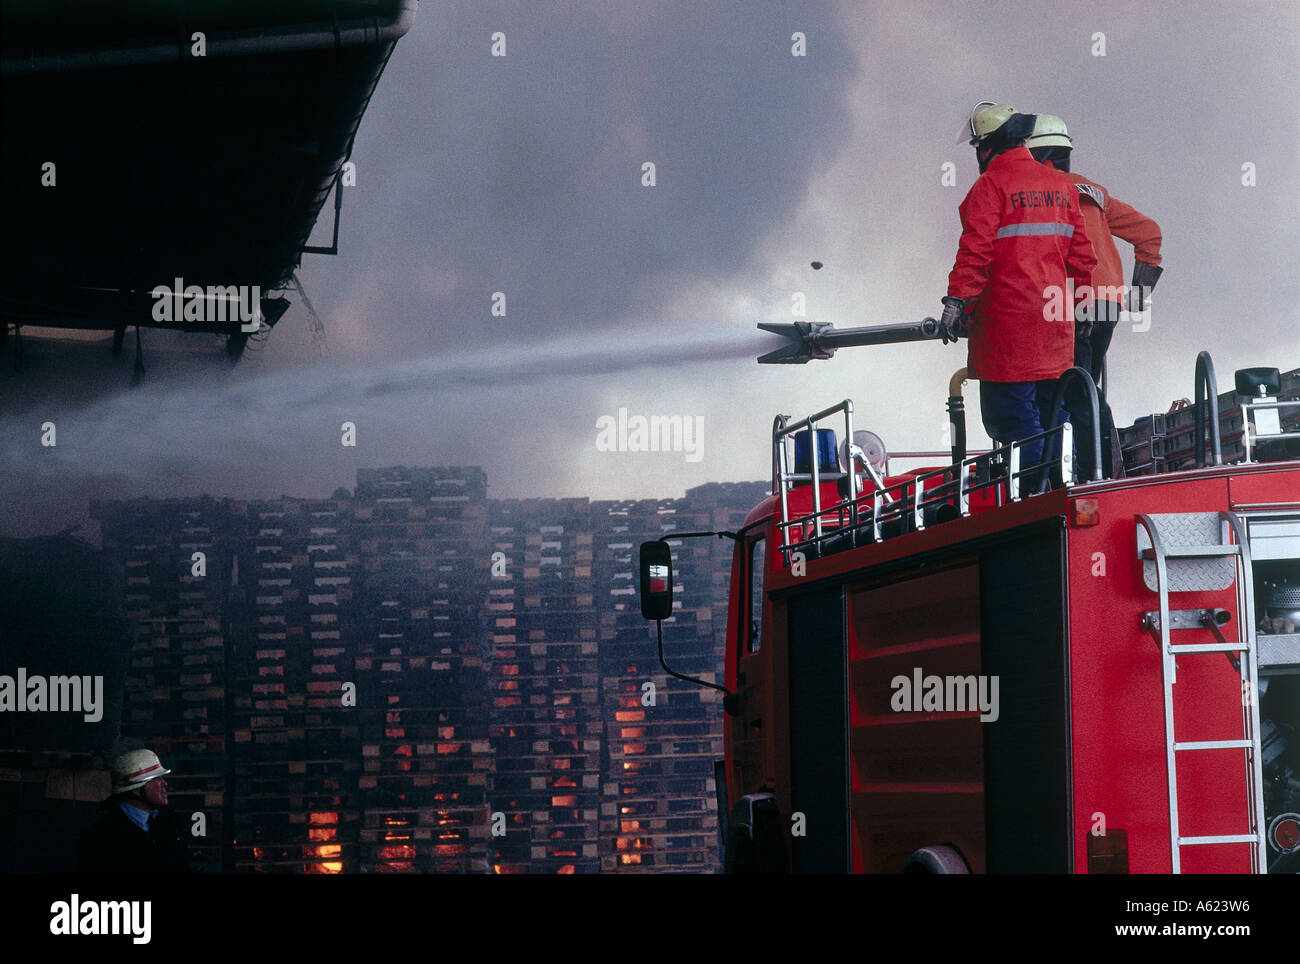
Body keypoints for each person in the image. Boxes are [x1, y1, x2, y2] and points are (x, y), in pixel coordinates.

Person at [941, 103, 1097, 493]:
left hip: (1007, 330)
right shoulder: (1062, 187)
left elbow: (976, 252)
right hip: (1055, 327)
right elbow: (1082, 256)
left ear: (986, 148)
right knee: (1052, 414)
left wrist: (955, 303)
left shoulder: (990, 187)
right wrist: (1084, 302)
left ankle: (1032, 499)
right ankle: (1060, 490)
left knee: (1014, 421)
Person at [1025, 113, 1163, 479]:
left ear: (1043, 160)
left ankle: (1096, 474)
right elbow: (1149, 232)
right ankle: (1098, 467)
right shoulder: (1095, 192)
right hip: (1107, 302)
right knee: (1087, 384)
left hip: (1071, 300)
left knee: (1077, 392)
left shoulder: (1043, 195)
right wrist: (1139, 294)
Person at [79, 748, 191, 874]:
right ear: (136, 789)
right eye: (156, 779)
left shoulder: (169, 819)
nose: (164, 783)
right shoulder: (104, 832)